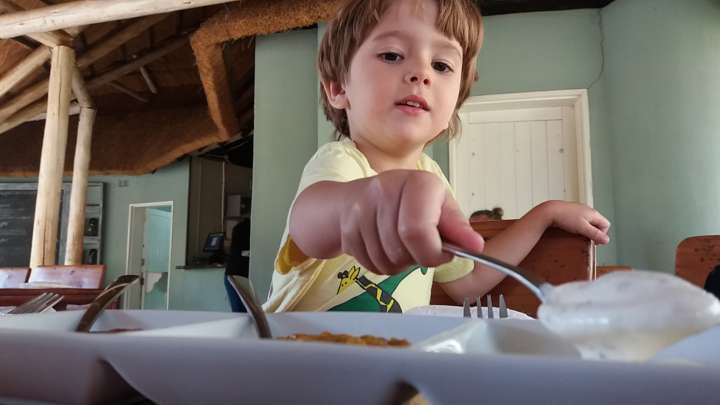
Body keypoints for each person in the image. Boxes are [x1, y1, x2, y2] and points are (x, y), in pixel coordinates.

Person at [263, 0, 610, 313]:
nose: (421, 73)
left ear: (454, 105)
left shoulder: (432, 177)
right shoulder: (340, 161)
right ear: (339, 88)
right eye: (392, 55)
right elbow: (308, 224)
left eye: (442, 65)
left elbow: (468, 284)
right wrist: (361, 201)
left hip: (395, 371)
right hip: (299, 369)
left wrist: (543, 215)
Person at [224, 218, 250, 312]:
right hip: (236, 275)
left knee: (239, 312)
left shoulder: (239, 227)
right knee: (241, 312)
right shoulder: (247, 228)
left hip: (232, 274)